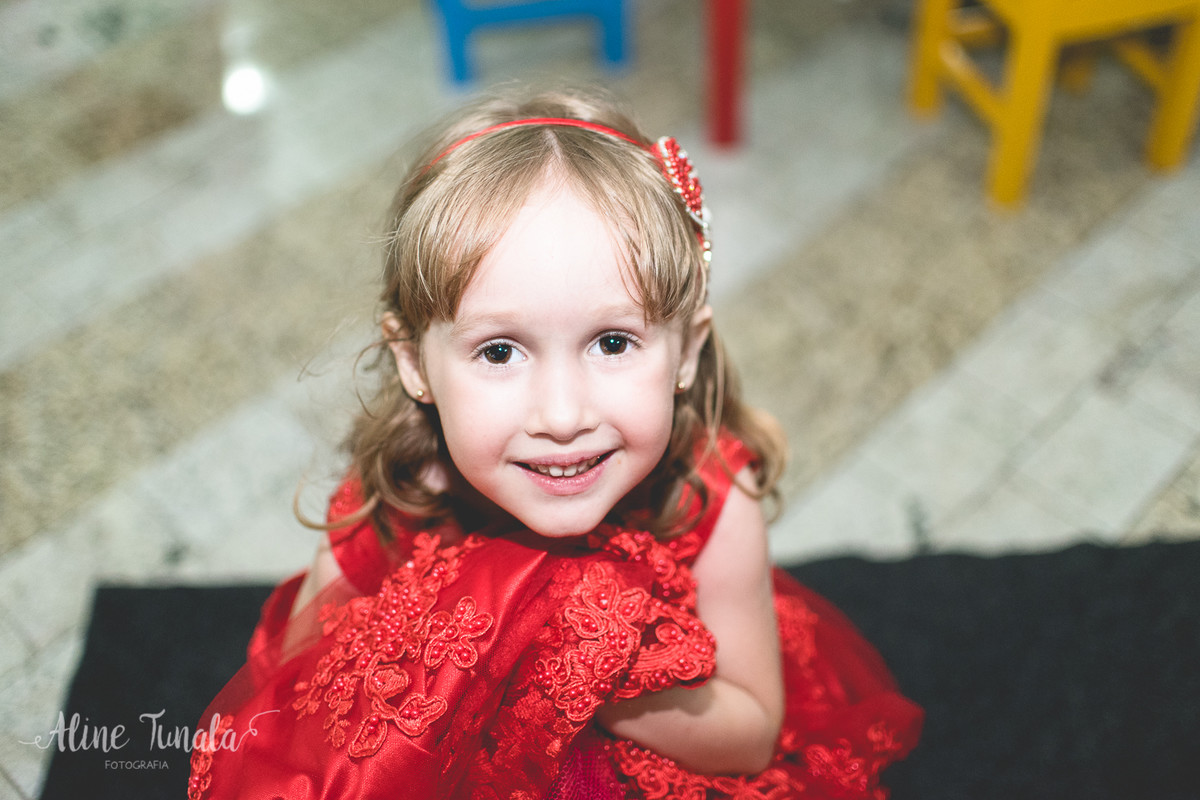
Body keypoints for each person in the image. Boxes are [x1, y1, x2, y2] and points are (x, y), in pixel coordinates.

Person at [187, 88, 922, 800]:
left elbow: (752, 732)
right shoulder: (408, 494)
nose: (563, 414)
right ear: (415, 362)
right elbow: (300, 710)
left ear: (687, 352)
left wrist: (585, 673)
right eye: (501, 352)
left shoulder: (713, 503)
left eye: (612, 341)